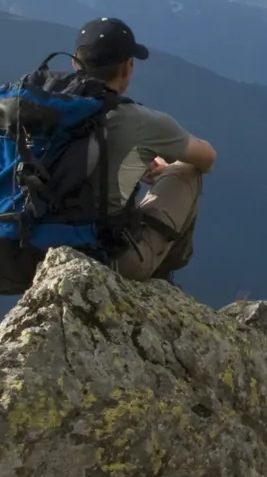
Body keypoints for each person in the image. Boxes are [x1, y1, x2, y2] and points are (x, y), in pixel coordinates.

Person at [72, 17, 218, 281]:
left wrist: (137, 161)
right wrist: (165, 164)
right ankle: (161, 279)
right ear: (128, 68)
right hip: (107, 259)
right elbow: (207, 158)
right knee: (188, 170)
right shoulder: (139, 120)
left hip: (35, 249)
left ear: (74, 64)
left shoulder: (44, 109)